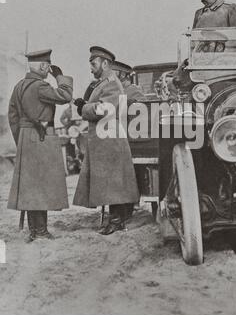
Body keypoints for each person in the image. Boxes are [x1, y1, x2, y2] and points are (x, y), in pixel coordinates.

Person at [7, 49, 73, 242]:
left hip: (26, 139)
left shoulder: (19, 86)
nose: (48, 69)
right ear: (44, 66)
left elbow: (13, 118)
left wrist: (22, 138)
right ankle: (41, 230)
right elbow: (65, 96)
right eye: (48, 65)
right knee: (41, 185)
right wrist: (60, 76)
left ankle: (34, 230)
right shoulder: (40, 86)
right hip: (41, 138)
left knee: (31, 187)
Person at [73, 46, 139, 235]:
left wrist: (84, 109)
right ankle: (116, 219)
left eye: (93, 64)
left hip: (109, 139)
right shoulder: (104, 83)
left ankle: (117, 221)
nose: (91, 68)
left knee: (113, 182)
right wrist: (85, 105)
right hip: (106, 139)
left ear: (105, 63)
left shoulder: (110, 83)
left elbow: (105, 108)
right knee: (112, 181)